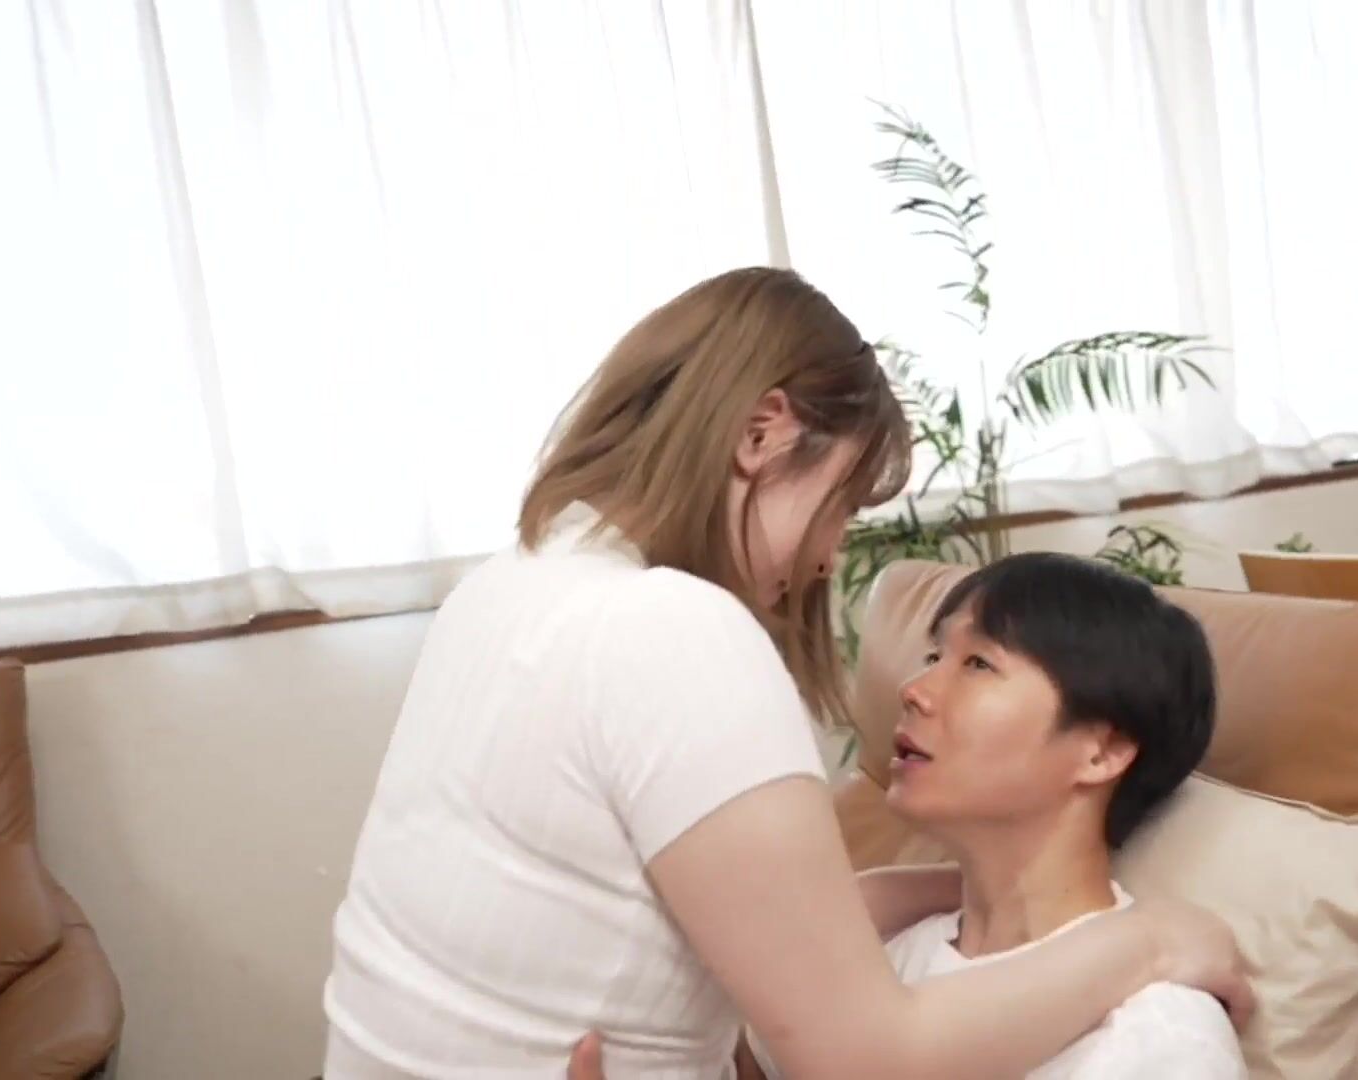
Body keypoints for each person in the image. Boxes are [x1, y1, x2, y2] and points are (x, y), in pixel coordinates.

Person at [322, 267, 1250, 1079]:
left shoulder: (517, 582)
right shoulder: (672, 634)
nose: (829, 556)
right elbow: (866, 1059)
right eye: (842, 503)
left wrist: (987, 888)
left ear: (1103, 749)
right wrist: (1148, 938)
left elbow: (726, 917)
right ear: (762, 432)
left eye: (979, 663)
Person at [745, 553, 1247, 1078]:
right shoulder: (884, 950)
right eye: (934, 655)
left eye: (978, 664)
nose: (913, 689)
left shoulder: (1159, 1043)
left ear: (1102, 752)